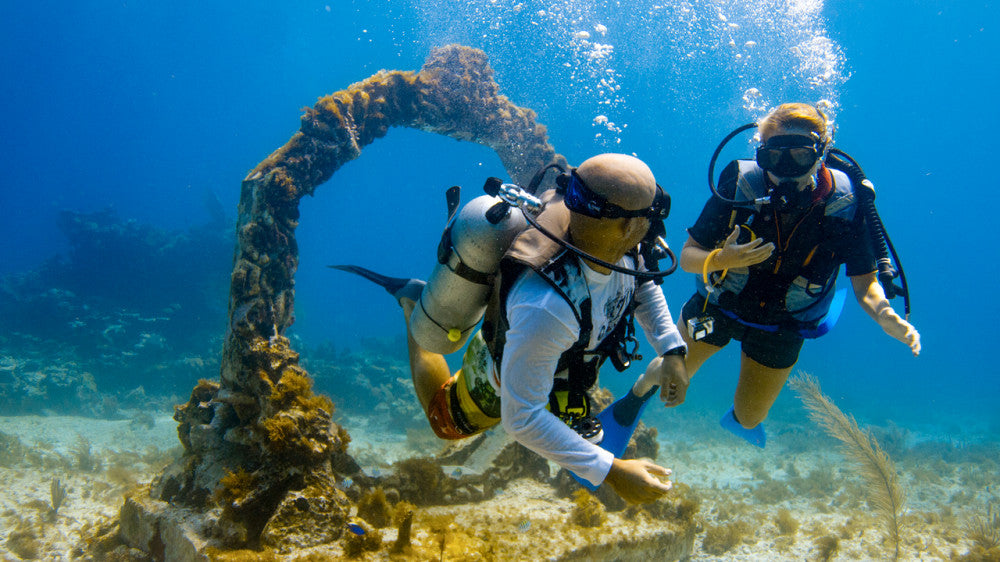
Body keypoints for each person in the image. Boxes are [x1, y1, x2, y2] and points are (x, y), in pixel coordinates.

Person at [341, 154, 688, 504]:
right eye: (650, 214)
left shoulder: (619, 244)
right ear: (626, 227)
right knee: (443, 421)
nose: (653, 228)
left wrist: (671, 349)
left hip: (560, 364)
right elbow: (521, 418)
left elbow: (643, 281)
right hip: (507, 374)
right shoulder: (547, 309)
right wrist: (612, 472)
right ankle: (415, 305)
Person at [661, 103, 921, 447]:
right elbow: (687, 256)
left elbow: (866, 283)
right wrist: (720, 259)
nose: (784, 172)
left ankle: (741, 420)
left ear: (822, 152)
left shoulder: (846, 202)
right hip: (719, 304)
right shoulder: (740, 182)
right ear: (760, 154)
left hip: (783, 324)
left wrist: (883, 314)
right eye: (773, 158)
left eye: (799, 156)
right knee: (665, 376)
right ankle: (635, 397)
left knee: (750, 416)